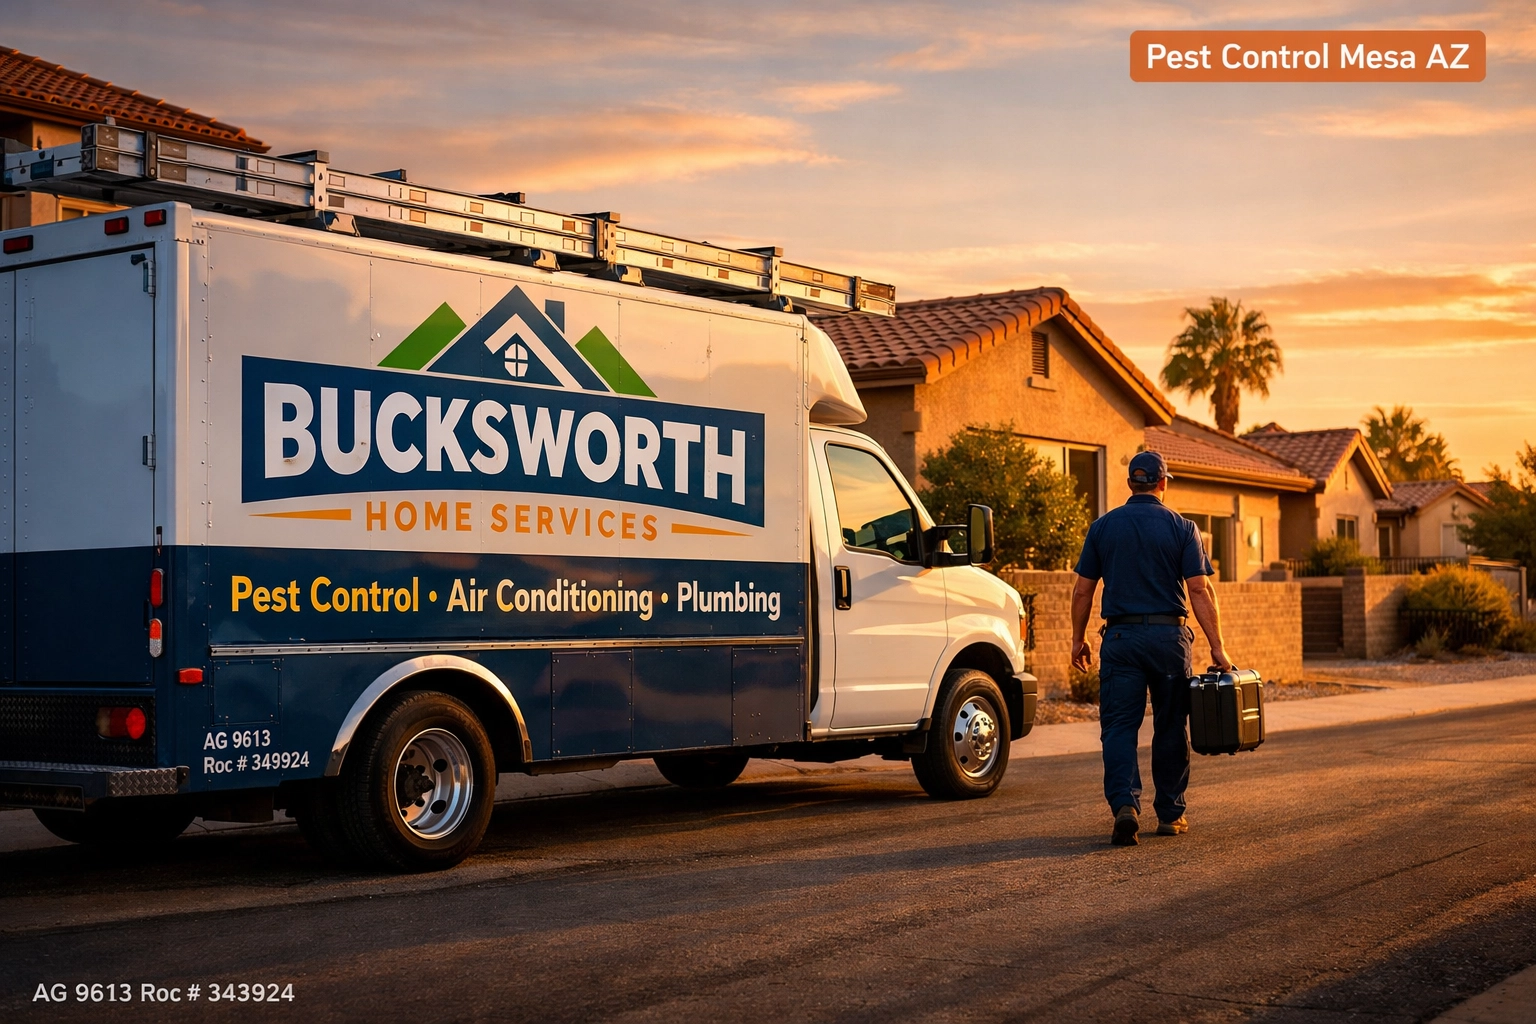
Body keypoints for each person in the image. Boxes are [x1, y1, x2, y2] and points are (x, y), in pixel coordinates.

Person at [1070, 450, 1233, 847]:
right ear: (1163, 483)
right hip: (1168, 640)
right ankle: (1171, 814)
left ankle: (1126, 805)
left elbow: (1082, 590)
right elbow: (1199, 588)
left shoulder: (1103, 527)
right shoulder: (1183, 528)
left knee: (1120, 726)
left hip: (1121, 640)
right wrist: (1218, 648)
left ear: (1130, 484)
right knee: (1170, 725)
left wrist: (1078, 639)